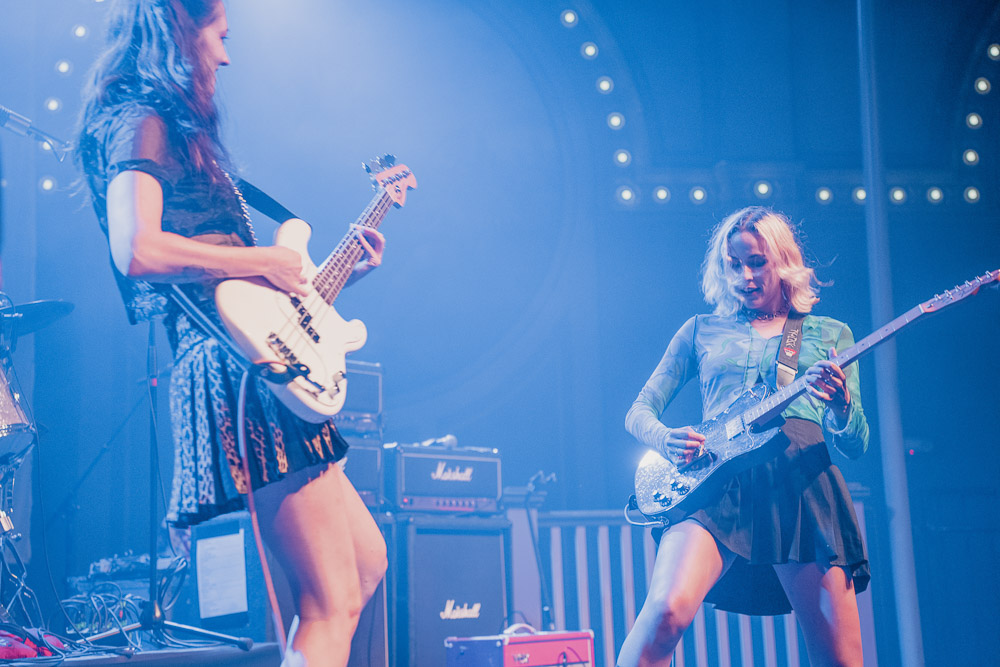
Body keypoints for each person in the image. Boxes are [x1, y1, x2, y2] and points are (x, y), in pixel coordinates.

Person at [75, 1, 387, 664]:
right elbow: (138, 250)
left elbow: (243, 283)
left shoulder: (171, 130)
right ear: (181, 32)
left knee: (363, 566)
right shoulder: (142, 121)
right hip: (234, 365)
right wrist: (259, 260)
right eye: (219, 36)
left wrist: (328, 279)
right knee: (328, 599)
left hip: (256, 351)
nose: (225, 55)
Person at [617, 206, 870, 667]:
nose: (745, 276)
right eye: (734, 264)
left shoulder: (826, 333)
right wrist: (666, 437)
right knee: (664, 614)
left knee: (842, 660)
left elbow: (856, 443)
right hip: (719, 480)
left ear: (783, 263)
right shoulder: (700, 330)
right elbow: (638, 411)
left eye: (757, 263)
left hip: (803, 482)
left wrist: (839, 405)